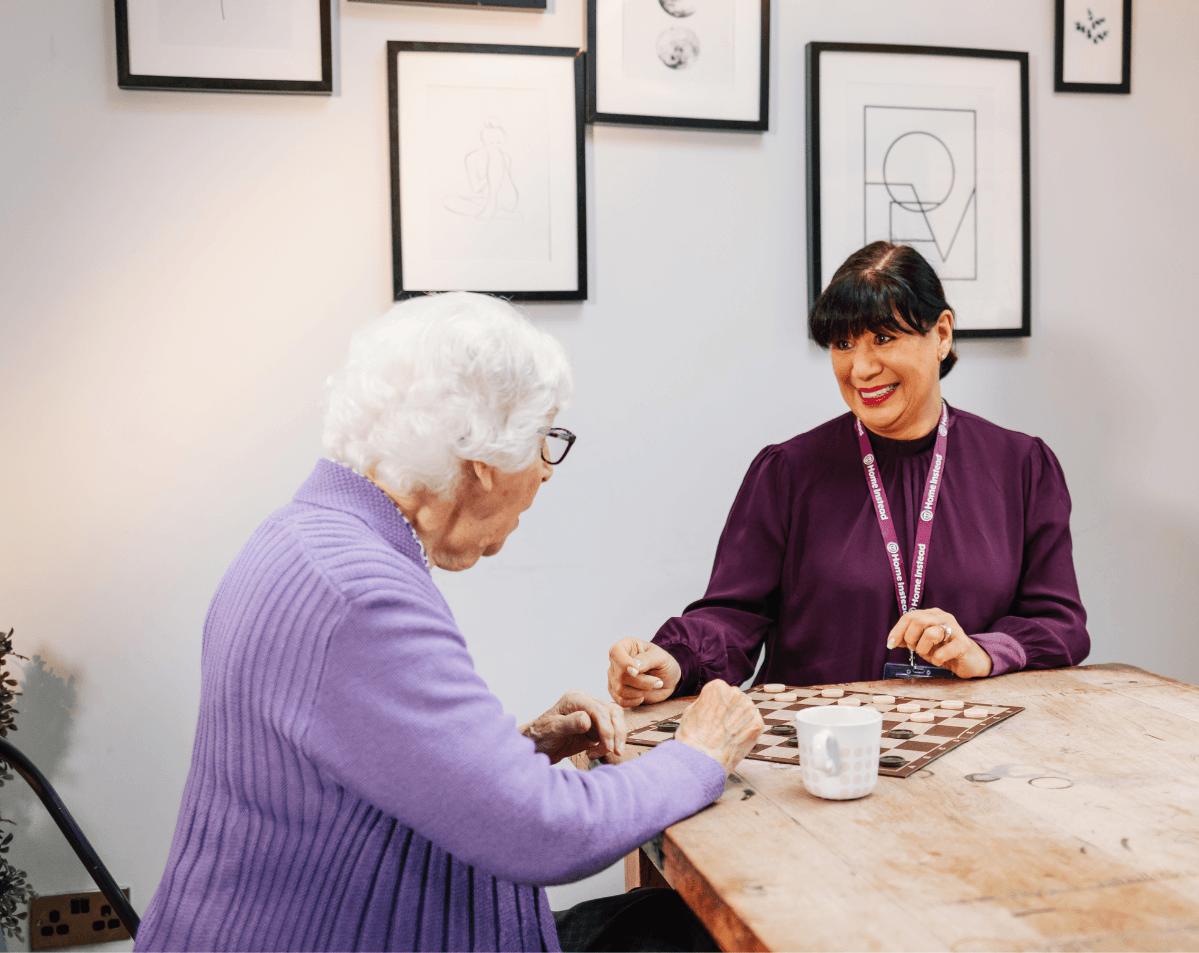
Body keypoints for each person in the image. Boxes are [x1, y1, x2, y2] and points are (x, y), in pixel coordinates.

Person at [135, 292, 763, 953]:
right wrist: (701, 755)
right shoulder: (360, 595)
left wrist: (524, 750)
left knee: (660, 925)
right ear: (484, 457)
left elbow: (375, 768)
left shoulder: (306, 538)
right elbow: (544, 832)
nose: (546, 473)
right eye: (544, 439)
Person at [607, 242, 1090, 708]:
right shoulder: (788, 472)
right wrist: (676, 658)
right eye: (843, 343)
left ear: (941, 334)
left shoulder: (1022, 466)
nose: (861, 368)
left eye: (883, 337)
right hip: (815, 754)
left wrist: (983, 651)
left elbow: (1059, 624)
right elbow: (735, 615)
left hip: (977, 754)